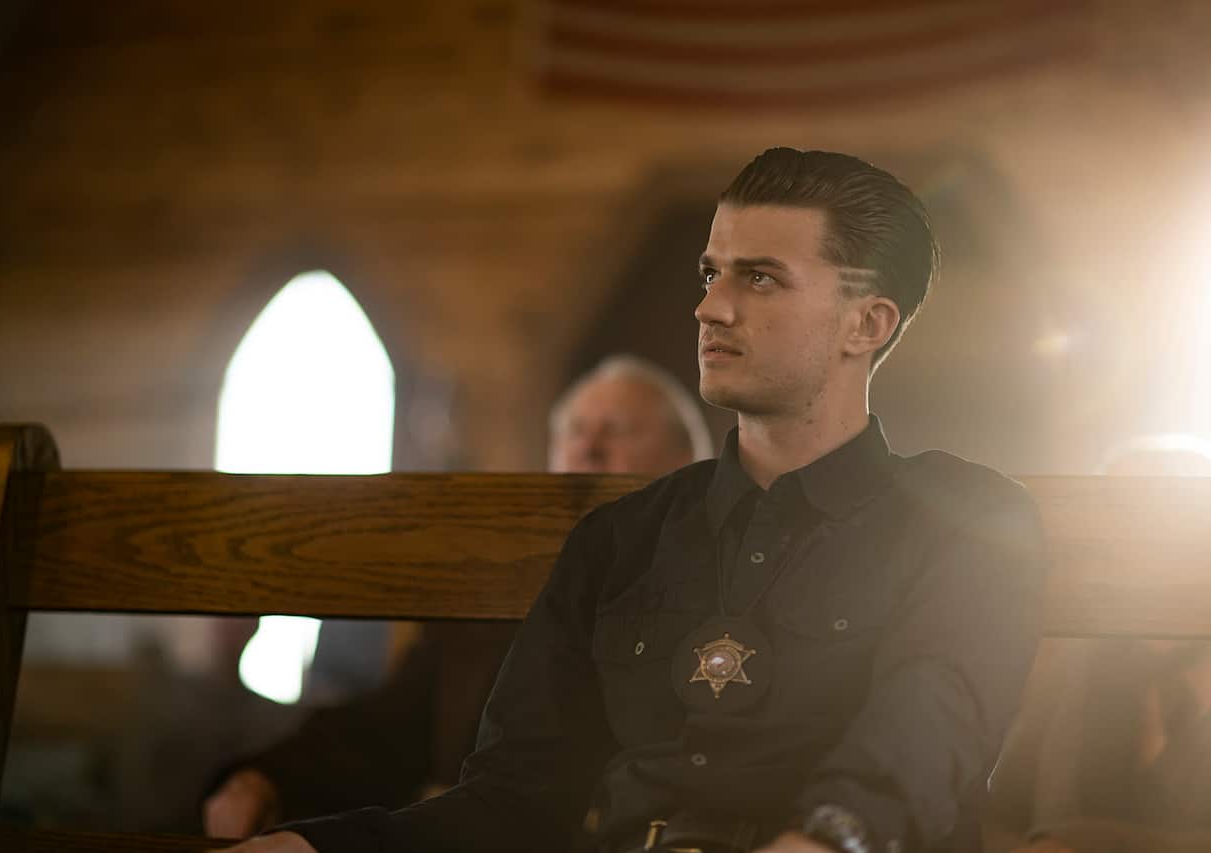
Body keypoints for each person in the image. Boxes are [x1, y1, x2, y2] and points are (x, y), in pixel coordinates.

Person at [225, 147, 1047, 853]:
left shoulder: (965, 521)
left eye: (760, 278)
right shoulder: (620, 542)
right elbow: (514, 801)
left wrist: (827, 837)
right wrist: (319, 843)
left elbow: (924, 739)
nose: (709, 306)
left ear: (865, 324)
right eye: (711, 272)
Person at [203, 355, 713, 838]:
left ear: (686, 458)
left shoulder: (711, 581)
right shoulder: (490, 593)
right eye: (575, 432)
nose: (589, 448)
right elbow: (395, 725)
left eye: (617, 431)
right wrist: (269, 775)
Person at [988, 437, 1211, 853]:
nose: (1124, 547)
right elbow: (998, 815)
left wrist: (1084, 841)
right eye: (1116, 522)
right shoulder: (1076, 666)